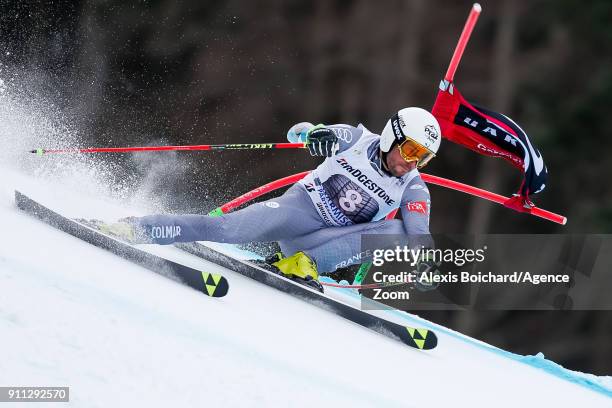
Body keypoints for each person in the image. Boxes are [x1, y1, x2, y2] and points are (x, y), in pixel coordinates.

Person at [100, 107, 441, 285]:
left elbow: (418, 230)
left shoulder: (413, 186)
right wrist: (315, 135)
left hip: (322, 246)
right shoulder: (356, 138)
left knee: (399, 232)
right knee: (228, 229)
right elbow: (300, 132)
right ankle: (141, 228)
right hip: (298, 212)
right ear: (391, 137)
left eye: (422, 157)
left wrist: (426, 262)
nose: (411, 162)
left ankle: (303, 265)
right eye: (410, 149)